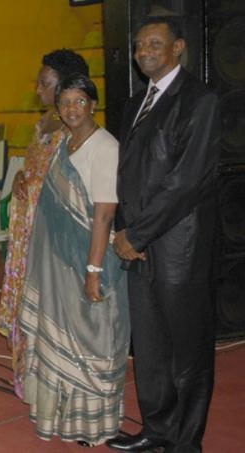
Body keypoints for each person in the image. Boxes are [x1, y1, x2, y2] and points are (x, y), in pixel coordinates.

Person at [107, 17, 220, 453]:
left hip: (179, 248)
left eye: (154, 43)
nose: (143, 51)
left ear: (178, 48)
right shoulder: (135, 104)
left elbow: (186, 181)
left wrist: (137, 233)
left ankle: (186, 442)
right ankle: (157, 431)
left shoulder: (200, 99)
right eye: (138, 45)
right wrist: (125, 230)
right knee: (151, 349)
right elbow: (128, 176)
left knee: (187, 350)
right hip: (139, 246)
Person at [18, 74, 129, 446]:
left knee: (93, 338)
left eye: (80, 101)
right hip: (56, 266)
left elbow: (103, 214)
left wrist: (93, 269)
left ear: (93, 105)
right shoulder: (64, 143)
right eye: (65, 102)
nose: (71, 109)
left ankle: (93, 426)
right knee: (60, 335)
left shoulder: (105, 147)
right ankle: (61, 418)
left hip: (90, 258)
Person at [0, 49, 90, 398]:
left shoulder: (77, 128)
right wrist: (21, 177)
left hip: (53, 231)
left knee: (54, 302)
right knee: (28, 300)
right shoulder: (44, 123)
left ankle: (59, 381)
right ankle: (30, 377)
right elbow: (33, 168)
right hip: (28, 228)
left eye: (45, 84)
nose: (38, 90)